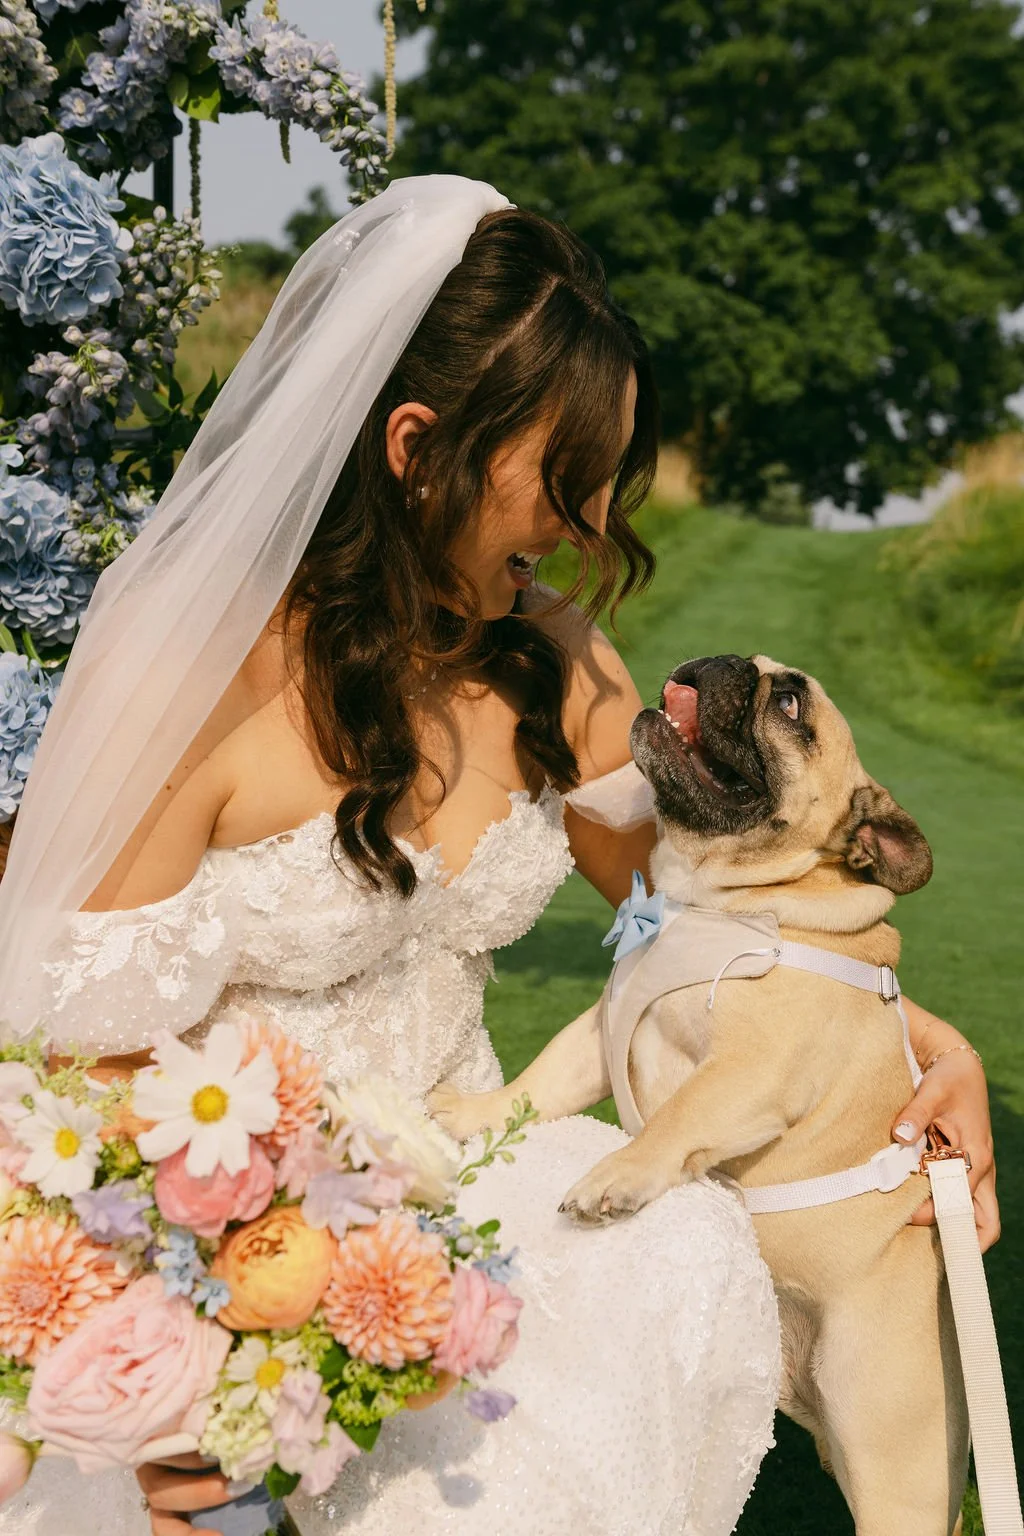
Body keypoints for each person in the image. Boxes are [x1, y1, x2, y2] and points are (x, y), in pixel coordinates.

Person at [0, 177, 995, 1536]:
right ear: (415, 446)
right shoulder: (190, 677)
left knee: (669, 1256)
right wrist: (220, 1343)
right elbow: (76, 1064)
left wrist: (931, 1048)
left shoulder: (561, 669)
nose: (589, 529)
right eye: (565, 481)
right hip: (220, 1237)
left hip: (473, 1202)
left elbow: (716, 939)